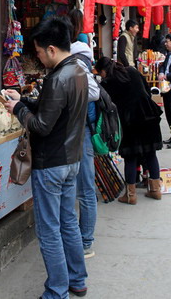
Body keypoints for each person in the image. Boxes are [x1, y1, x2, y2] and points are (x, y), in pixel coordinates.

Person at [3, 16, 88, 298]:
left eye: (38, 52)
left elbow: (40, 125)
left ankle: (56, 291)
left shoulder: (58, 77)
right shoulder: (78, 70)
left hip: (51, 164)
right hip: (72, 159)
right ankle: (76, 280)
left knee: (49, 230)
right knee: (67, 223)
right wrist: (24, 101)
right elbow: (53, 108)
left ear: (52, 49)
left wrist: (17, 109)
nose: (38, 57)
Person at [94, 57, 163, 203]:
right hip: (148, 116)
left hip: (129, 122)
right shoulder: (132, 71)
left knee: (130, 156)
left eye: (100, 73)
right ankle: (156, 190)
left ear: (104, 71)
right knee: (151, 154)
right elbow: (147, 91)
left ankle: (131, 196)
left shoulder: (107, 83)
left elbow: (107, 107)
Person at [69, 27, 99, 259]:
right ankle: (82, 237)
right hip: (82, 135)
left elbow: (93, 95)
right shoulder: (85, 68)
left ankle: (86, 241)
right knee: (84, 189)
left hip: (81, 135)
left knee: (85, 190)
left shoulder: (79, 70)